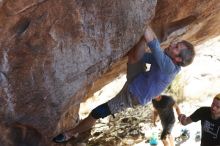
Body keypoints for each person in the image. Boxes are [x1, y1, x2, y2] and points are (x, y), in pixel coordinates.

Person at [53, 26, 195, 143]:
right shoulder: (164, 60)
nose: (172, 44)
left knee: (97, 113)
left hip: (133, 96)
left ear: (177, 59)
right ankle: (75, 132)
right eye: (175, 43)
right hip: (137, 78)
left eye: (176, 47)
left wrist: (144, 22)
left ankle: (70, 133)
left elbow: (154, 44)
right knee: (135, 54)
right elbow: (140, 57)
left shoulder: (170, 68)